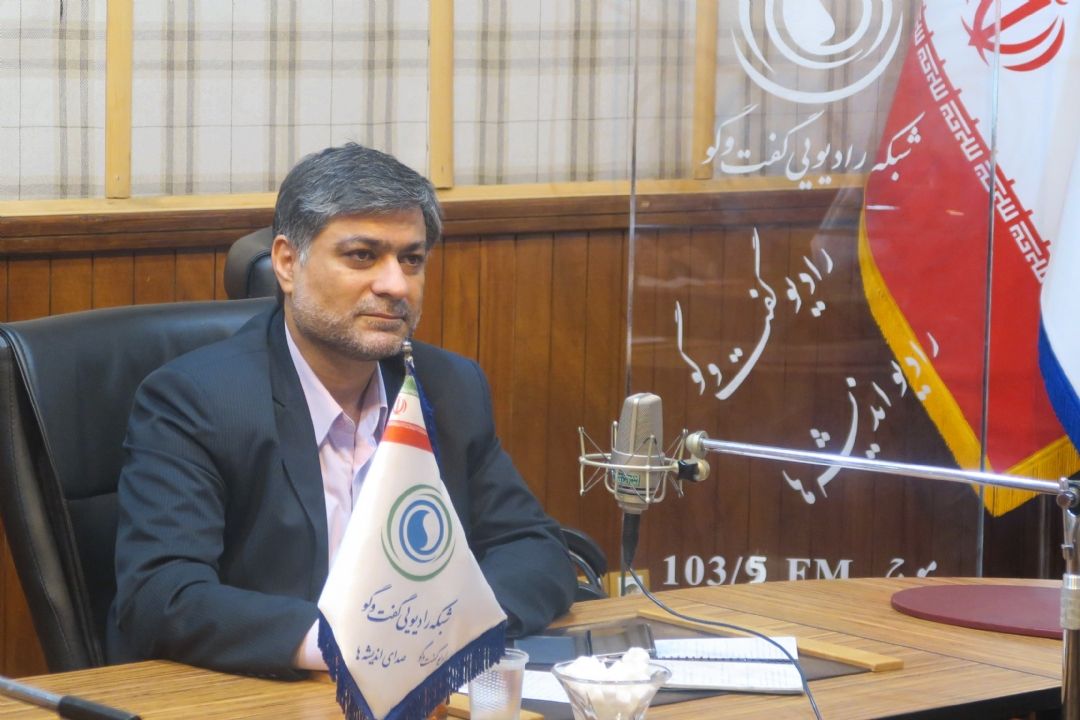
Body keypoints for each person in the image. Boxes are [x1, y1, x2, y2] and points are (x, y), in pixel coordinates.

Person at [106, 143, 577, 678]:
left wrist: (443, 627)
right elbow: (162, 594)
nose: (395, 285)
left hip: (424, 687)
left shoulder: (448, 386)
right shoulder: (196, 401)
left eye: (411, 259)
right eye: (362, 256)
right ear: (288, 263)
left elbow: (534, 547)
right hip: (263, 694)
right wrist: (348, 645)